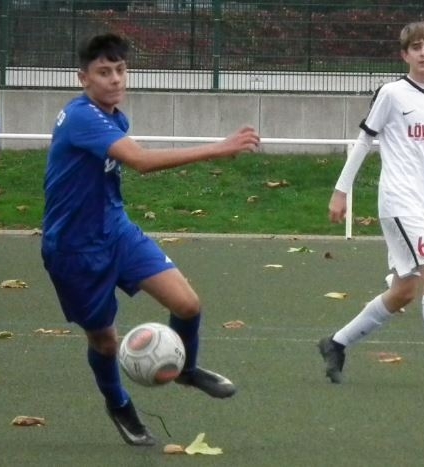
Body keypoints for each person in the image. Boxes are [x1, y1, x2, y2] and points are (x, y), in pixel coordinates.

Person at [41, 33, 260, 446]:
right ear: (83, 78)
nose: (115, 79)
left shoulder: (114, 117)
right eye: (103, 72)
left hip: (116, 230)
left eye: (120, 70)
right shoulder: (82, 117)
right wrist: (218, 148)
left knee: (187, 304)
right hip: (74, 249)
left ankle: (186, 370)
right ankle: (119, 404)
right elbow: (140, 161)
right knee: (105, 341)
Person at [319, 22, 424, 390]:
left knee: (405, 290)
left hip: (422, 204)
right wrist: (341, 191)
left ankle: (336, 343)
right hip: (398, 202)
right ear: (404, 54)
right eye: (416, 47)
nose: (423, 52)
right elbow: (364, 141)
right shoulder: (391, 94)